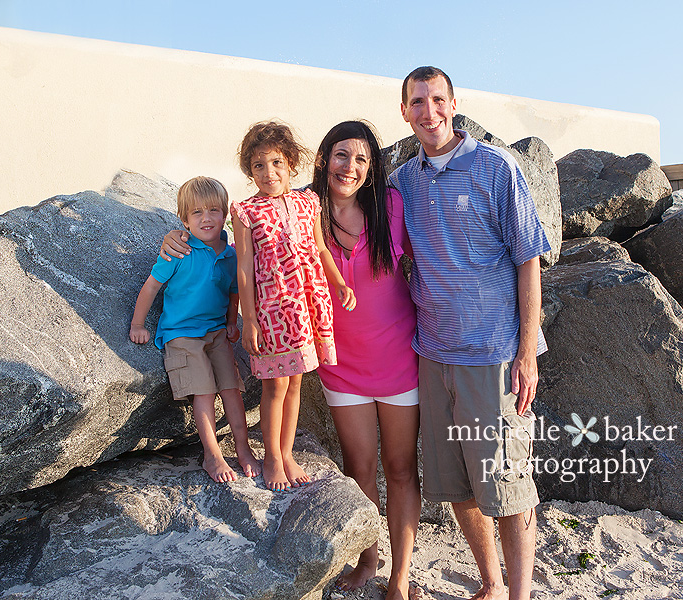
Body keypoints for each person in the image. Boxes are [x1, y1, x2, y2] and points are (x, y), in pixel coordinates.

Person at [390, 66, 551, 600]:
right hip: (432, 356)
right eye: (417, 101)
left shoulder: (495, 166)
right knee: (456, 481)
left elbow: (530, 259)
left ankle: (520, 594)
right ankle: (489, 582)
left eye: (438, 99)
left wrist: (527, 355)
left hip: (494, 355)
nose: (428, 111)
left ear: (454, 103)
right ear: (405, 110)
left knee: (508, 486)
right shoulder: (402, 182)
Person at [312, 121, 421, 600]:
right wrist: (181, 234)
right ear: (323, 159)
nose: (349, 167)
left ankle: (400, 576)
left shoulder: (392, 207)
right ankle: (368, 561)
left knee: (399, 468)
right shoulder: (304, 210)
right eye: (341, 155)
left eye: (360, 159)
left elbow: (436, 251)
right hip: (340, 365)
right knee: (359, 467)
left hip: (399, 358)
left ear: (372, 167)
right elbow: (243, 226)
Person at [231, 121, 355, 492]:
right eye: (258, 166)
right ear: (249, 170)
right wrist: (249, 319)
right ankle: (271, 455)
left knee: (296, 381)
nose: (268, 173)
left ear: (291, 164)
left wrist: (339, 282)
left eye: (276, 163)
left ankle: (286, 453)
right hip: (272, 310)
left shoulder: (308, 201)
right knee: (275, 385)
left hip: (305, 306)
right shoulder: (245, 212)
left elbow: (320, 247)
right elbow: (244, 268)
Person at [129, 176, 260, 483]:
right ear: (184, 219)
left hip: (215, 332)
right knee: (203, 390)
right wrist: (138, 324)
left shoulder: (230, 256)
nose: (206, 218)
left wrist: (231, 322)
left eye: (213, 210)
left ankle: (243, 448)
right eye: (197, 213)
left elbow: (233, 291)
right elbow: (151, 287)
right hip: (182, 333)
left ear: (225, 214)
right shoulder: (179, 251)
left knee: (231, 387)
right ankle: (212, 456)